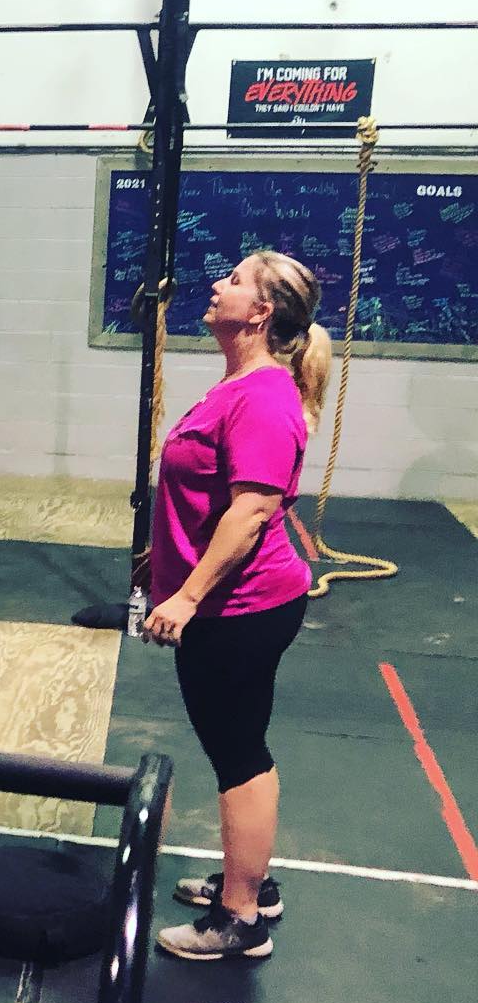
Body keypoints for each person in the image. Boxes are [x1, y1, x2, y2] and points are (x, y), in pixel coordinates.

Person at [144, 251, 331, 962]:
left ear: (259, 312)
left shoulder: (264, 398)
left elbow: (251, 513)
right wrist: (165, 559)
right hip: (232, 605)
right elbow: (210, 494)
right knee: (238, 745)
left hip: (240, 610)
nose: (217, 285)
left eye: (234, 279)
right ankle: (249, 880)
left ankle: (240, 917)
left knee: (239, 754)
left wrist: (187, 595)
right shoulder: (240, 385)